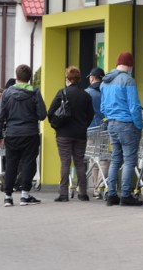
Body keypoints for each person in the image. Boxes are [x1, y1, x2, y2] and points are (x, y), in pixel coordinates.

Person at [0, 65, 47, 207]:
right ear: (29, 77)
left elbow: (0, 116)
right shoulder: (34, 92)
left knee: (11, 163)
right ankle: (24, 195)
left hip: (12, 133)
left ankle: (8, 197)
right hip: (30, 133)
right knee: (28, 163)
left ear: (16, 76)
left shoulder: (6, 93)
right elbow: (42, 114)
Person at [101, 52, 143, 206]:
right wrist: (139, 125)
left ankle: (111, 194)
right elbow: (134, 107)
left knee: (115, 159)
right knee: (129, 160)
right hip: (127, 124)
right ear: (130, 65)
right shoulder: (128, 80)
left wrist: (112, 117)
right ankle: (126, 195)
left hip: (112, 123)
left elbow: (103, 107)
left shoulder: (105, 82)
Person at [48, 66, 95, 202]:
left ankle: (64, 194)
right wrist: (83, 125)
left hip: (63, 133)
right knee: (79, 162)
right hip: (80, 134)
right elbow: (90, 115)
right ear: (79, 79)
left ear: (67, 78)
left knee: (65, 163)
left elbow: (50, 112)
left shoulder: (62, 93)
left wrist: (56, 125)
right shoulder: (85, 95)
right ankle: (83, 193)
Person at [85, 67, 108, 199]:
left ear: (92, 78)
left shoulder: (87, 92)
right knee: (104, 159)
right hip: (105, 128)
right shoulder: (107, 91)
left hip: (91, 129)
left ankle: (94, 187)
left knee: (93, 159)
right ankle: (99, 187)